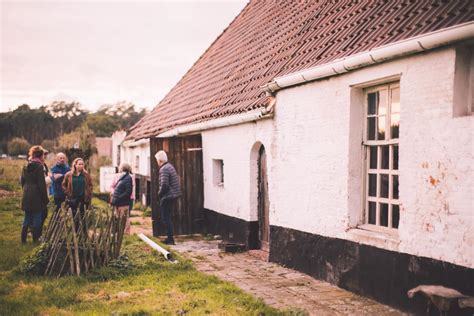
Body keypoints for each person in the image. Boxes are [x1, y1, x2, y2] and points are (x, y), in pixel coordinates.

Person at [20, 146, 49, 243]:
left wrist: (25, 190)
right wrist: (46, 199)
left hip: (27, 193)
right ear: (40, 155)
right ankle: (35, 240)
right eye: (43, 155)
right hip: (37, 195)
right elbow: (41, 184)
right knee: (37, 218)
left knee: (27, 218)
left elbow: (22, 181)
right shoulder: (39, 166)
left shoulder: (25, 165)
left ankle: (23, 240)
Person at [155, 150, 181, 245]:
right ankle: (170, 238)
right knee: (168, 217)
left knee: (166, 218)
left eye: (157, 160)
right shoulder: (169, 166)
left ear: (160, 160)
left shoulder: (164, 169)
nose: (157, 162)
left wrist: (159, 194)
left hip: (168, 196)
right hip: (173, 195)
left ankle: (170, 239)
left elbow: (164, 184)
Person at [110, 163, 133, 235]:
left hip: (123, 202)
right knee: (119, 218)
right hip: (119, 202)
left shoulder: (128, 177)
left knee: (125, 219)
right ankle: (119, 233)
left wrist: (119, 198)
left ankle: (126, 234)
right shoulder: (124, 177)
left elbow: (128, 191)